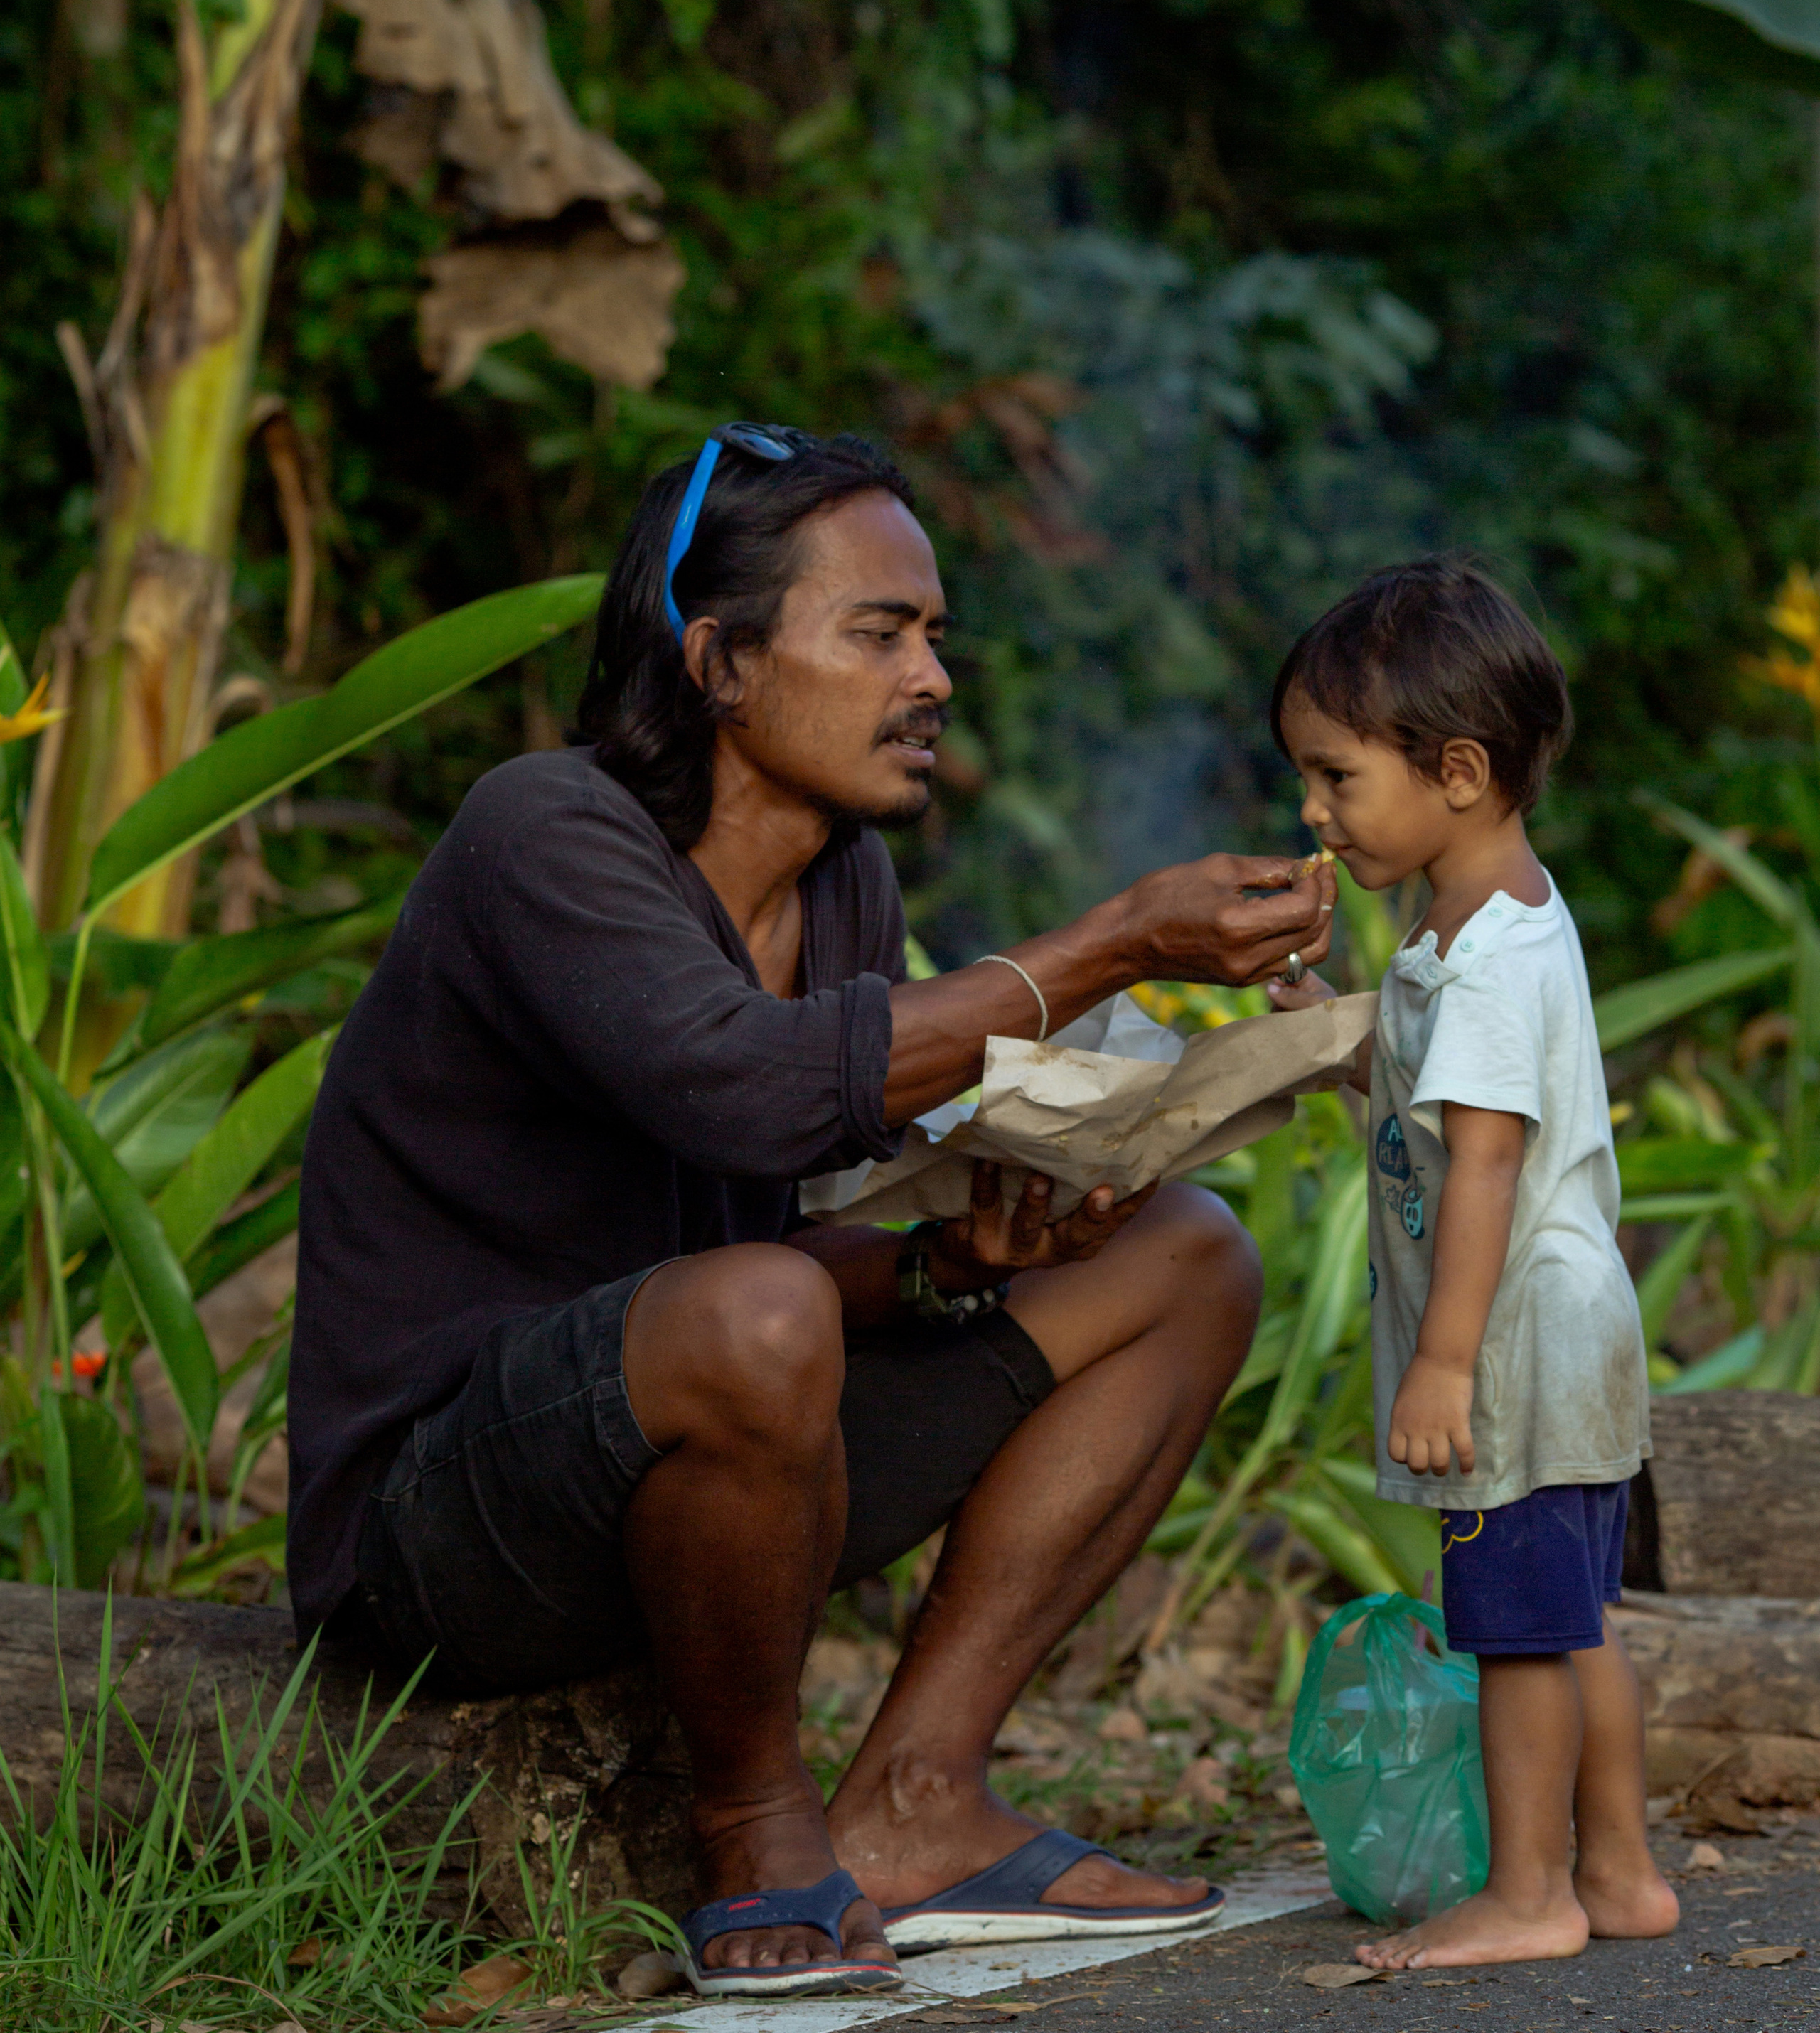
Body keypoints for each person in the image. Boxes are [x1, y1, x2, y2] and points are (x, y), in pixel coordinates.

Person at [288, 422, 1336, 1999]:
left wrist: (939, 1265)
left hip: (713, 1450)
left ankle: (916, 1803)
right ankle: (755, 1826)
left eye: (931, 637)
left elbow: (768, 1238)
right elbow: (750, 1093)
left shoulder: (841, 881)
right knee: (754, 1316)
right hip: (449, 1524)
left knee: (1183, 1256)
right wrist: (1114, 942)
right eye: (878, 633)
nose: (931, 678)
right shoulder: (545, 832)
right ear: (716, 662)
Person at [1265, 557, 1679, 1970]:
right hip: (1566, 1328)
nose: (1310, 811)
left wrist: (1440, 1360)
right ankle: (1617, 1875)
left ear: (1454, 770)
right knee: (1573, 1625)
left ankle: (1528, 1894)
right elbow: (1423, 1114)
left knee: (1511, 1631)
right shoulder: (1467, 927)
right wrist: (1319, 1021)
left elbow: (1486, 1163)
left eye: (1332, 777)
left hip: (1508, 1342)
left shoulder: (1486, 964)